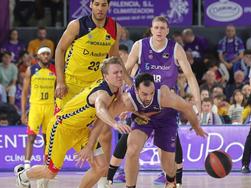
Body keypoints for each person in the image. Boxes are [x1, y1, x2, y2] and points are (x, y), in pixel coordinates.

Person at [106, 16, 201, 187]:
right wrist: (123, 99)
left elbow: (190, 76)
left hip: (167, 108)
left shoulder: (175, 48)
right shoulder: (140, 46)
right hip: (143, 107)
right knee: (132, 148)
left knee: (167, 161)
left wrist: (198, 104)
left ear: (168, 30)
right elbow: (125, 73)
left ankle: (171, 179)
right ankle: (126, 183)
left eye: (162, 28)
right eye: (156, 27)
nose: (159, 31)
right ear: (151, 29)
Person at [14, 57, 131, 188]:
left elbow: (101, 121)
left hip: (81, 130)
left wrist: (89, 146)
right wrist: (115, 124)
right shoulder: (101, 93)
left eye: (121, 72)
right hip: (61, 128)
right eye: (116, 73)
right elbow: (100, 110)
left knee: (101, 167)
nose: (120, 75)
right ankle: (22, 176)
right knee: (50, 172)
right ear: (106, 76)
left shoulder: (115, 88)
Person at [55, 0, 122, 186]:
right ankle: (47, 171)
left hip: (95, 86)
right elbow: (60, 50)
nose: (100, 8)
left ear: (108, 6)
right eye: (97, 4)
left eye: (104, 5)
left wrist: (119, 84)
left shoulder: (114, 27)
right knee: (61, 129)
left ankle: (103, 178)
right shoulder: (77, 25)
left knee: (105, 131)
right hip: (71, 85)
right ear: (91, 5)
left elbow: (114, 58)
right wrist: (60, 81)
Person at [118, 73, 207, 188]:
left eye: (151, 93)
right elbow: (105, 112)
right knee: (132, 149)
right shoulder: (127, 98)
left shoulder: (164, 95)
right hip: (144, 118)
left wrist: (196, 127)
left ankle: (170, 181)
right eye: (144, 94)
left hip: (166, 119)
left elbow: (187, 108)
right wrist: (116, 122)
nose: (149, 97)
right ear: (136, 90)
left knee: (168, 165)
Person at [21, 47, 56, 171]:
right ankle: (26, 166)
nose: (46, 56)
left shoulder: (55, 70)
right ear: (38, 56)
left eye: (48, 54)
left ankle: (46, 166)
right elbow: (24, 93)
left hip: (50, 107)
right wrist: (23, 112)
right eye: (43, 54)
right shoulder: (31, 70)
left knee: (48, 139)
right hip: (35, 106)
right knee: (31, 137)